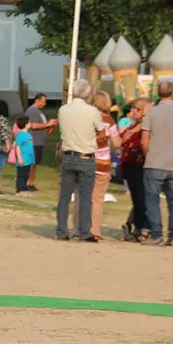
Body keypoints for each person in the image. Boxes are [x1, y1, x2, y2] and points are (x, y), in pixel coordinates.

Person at [55, 80, 106, 241]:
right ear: (88, 93)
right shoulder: (92, 111)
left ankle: (62, 231)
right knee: (85, 196)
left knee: (64, 196)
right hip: (86, 157)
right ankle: (84, 231)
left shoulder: (63, 110)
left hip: (68, 156)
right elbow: (102, 132)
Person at [142, 81, 173, 247]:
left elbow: (144, 141)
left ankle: (156, 234)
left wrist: (149, 153)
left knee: (153, 200)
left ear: (157, 94)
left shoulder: (151, 113)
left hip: (154, 161)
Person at [88, 92, 123, 241]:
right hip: (103, 162)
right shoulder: (109, 121)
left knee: (82, 195)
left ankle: (79, 227)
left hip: (87, 159)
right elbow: (117, 143)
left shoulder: (87, 117)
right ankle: (95, 230)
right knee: (98, 198)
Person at [119, 99, 151, 242]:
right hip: (130, 164)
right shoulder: (134, 125)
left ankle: (143, 227)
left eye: (138, 109)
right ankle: (136, 226)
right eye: (133, 108)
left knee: (142, 198)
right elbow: (122, 139)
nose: (134, 111)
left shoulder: (147, 126)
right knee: (136, 199)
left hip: (142, 165)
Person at [22, 93, 57, 191]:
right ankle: (27, 183)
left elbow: (43, 125)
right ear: (37, 100)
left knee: (34, 164)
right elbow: (32, 125)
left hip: (39, 142)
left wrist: (50, 125)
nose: (44, 104)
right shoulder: (32, 111)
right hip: (33, 141)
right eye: (43, 101)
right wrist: (47, 124)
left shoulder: (39, 112)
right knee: (31, 164)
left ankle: (31, 182)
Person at [13, 116, 36, 194]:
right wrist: (19, 158)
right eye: (29, 122)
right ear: (25, 124)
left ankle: (24, 187)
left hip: (29, 158)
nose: (30, 123)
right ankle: (20, 189)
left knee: (26, 174)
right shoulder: (20, 134)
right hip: (23, 158)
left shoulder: (28, 134)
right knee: (21, 175)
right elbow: (18, 146)